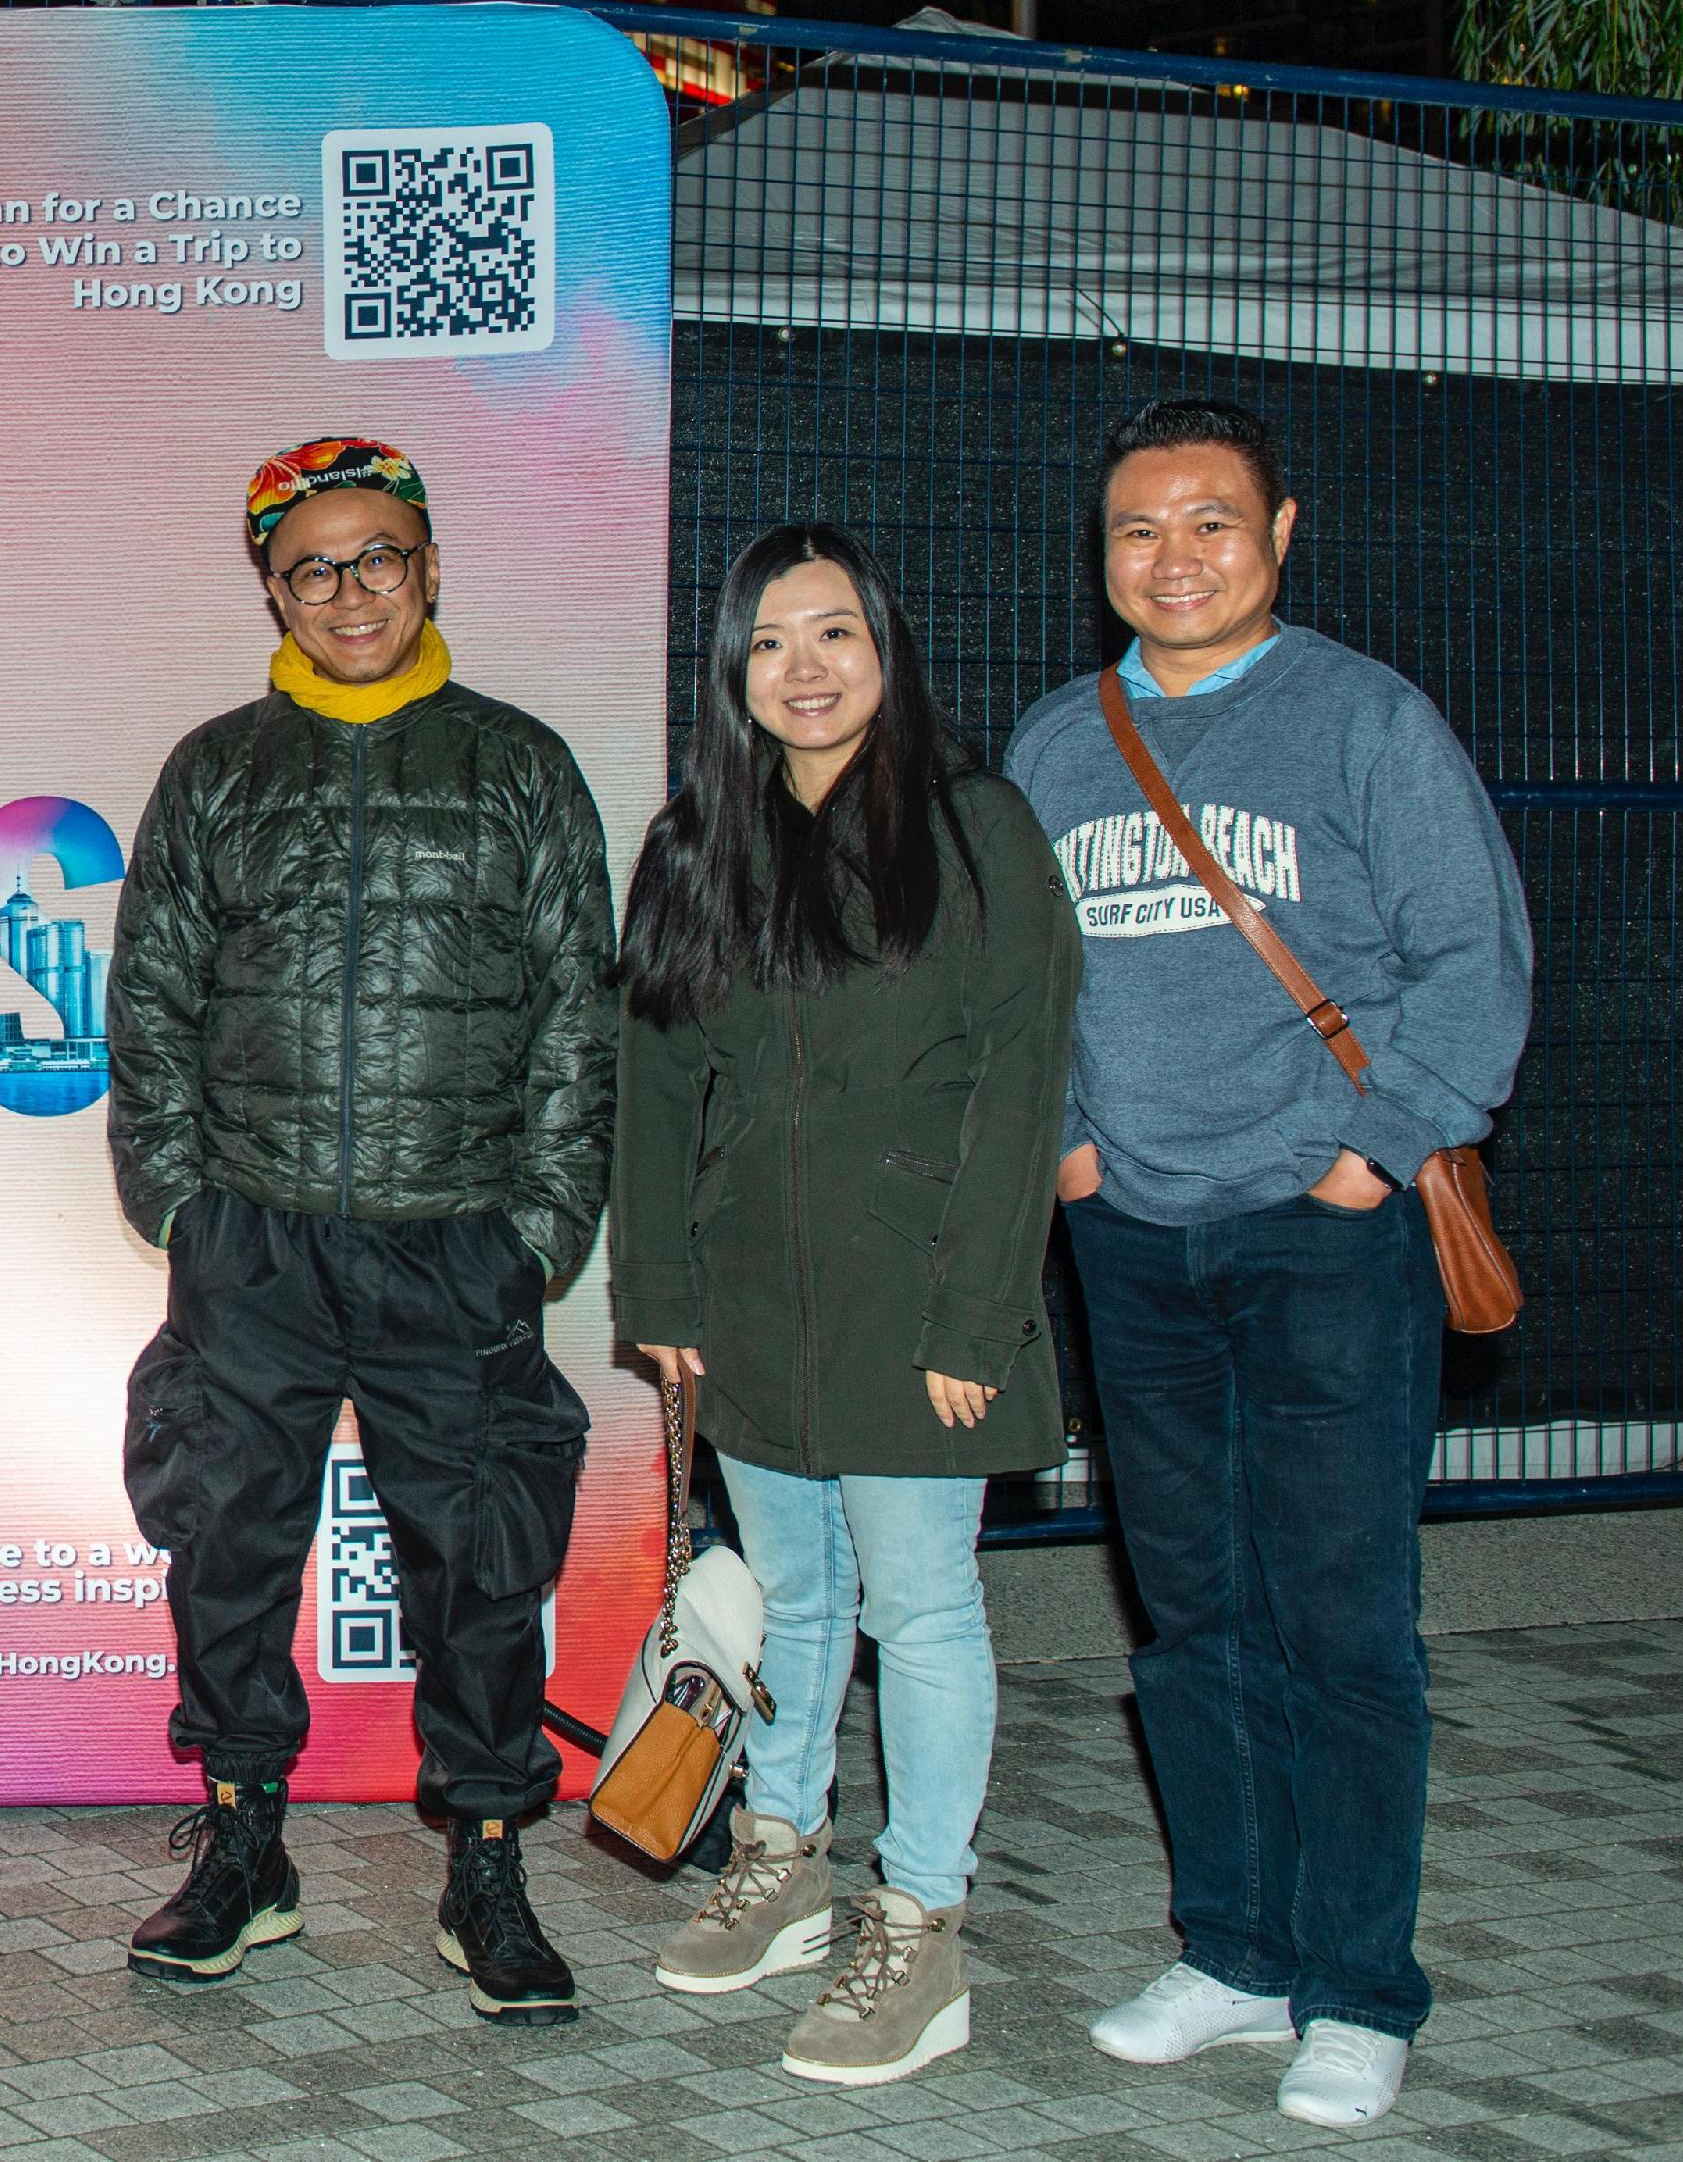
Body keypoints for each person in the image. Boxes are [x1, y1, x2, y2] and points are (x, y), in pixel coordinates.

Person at [1008, 398, 1531, 2132]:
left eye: (1211, 523)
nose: (1174, 558)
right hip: (1135, 1238)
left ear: (1281, 531)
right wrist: (1070, 1148)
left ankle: (1359, 1984)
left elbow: (1477, 958)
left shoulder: (1365, 718)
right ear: (1103, 559)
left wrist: (1372, 1156)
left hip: (1325, 1240)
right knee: (1191, 1610)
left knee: (1341, 1617)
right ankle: (1234, 1950)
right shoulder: (1058, 743)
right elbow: (1022, 988)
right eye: (1139, 530)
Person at [106, 434, 616, 2021]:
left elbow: (575, 1023)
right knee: (231, 1549)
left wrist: (538, 1231)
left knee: (481, 1563)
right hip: (250, 1241)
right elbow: (152, 1005)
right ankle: (244, 1843)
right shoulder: (214, 770)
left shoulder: (520, 767)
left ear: (432, 567)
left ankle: (486, 1859)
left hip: (455, 1239)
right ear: (271, 582)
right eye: (315, 563)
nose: (351, 589)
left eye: (380, 555)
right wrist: (178, 1201)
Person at [610, 525, 1079, 2086]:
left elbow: (1022, 1081)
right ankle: (785, 1853)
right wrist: (662, 1290)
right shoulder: (695, 844)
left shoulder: (976, 826)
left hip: (919, 1302)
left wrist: (977, 1316)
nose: (804, 670)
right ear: (734, 670)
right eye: (770, 643)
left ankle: (924, 1921)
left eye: (835, 635)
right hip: (748, 1300)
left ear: (888, 646)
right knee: (797, 1604)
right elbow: (659, 1082)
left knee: (923, 1611)